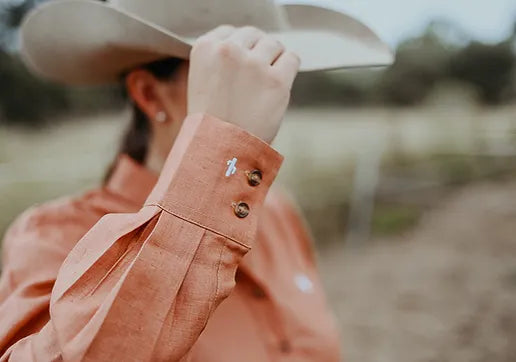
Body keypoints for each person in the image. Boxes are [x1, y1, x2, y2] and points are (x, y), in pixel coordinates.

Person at [0, 0, 392, 360]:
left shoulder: (278, 214)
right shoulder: (52, 236)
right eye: (234, 71)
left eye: (271, 71)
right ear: (150, 95)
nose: (270, 97)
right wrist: (223, 146)